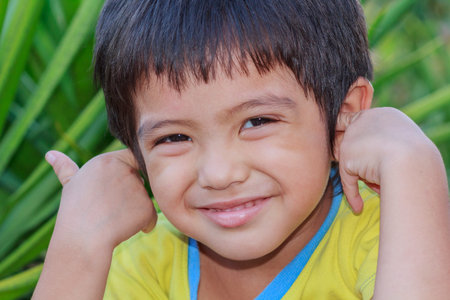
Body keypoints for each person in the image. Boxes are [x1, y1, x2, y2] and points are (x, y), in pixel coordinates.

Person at [32, 0, 450, 299]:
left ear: (344, 118)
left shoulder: (384, 237)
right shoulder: (146, 263)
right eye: (174, 138)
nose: (218, 173)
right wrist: (78, 251)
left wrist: (413, 168)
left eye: (257, 122)